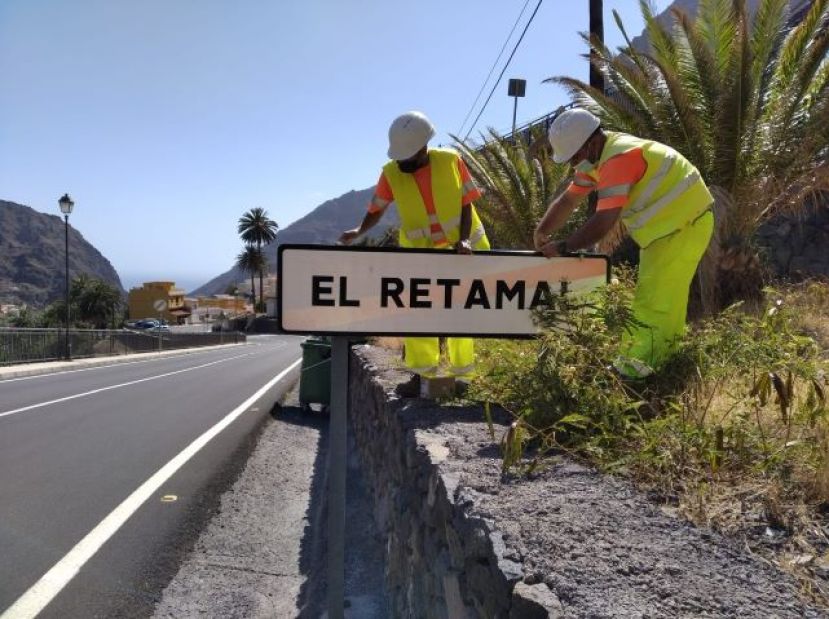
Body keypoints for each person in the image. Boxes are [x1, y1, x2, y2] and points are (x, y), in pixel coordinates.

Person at [533, 108, 714, 379]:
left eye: (576, 156)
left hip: (683, 223)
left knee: (652, 302)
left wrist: (564, 246)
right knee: (667, 303)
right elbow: (569, 200)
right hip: (670, 228)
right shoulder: (596, 160)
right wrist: (542, 230)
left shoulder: (618, 158)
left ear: (592, 142)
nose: (574, 165)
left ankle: (631, 373)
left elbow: (604, 221)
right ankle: (665, 367)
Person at [339, 110, 490, 382]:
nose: (402, 162)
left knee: (461, 313)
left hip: (460, 250)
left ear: (423, 147)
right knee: (418, 314)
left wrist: (464, 239)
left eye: (407, 156)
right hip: (421, 253)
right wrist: (360, 230)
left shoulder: (451, 161)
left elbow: (467, 203)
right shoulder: (391, 173)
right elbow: (377, 208)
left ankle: (463, 376)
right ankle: (423, 376)